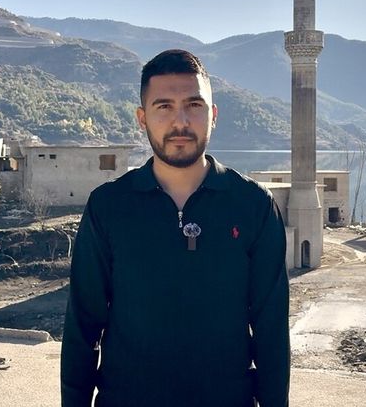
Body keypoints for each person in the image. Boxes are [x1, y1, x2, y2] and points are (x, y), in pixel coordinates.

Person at [61, 49, 290, 407]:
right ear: (142, 118)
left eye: (194, 105)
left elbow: (271, 329)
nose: (180, 121)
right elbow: (83, 325)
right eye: (164, 106)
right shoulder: (108, 206)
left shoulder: (253, 205)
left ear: (213, 115)